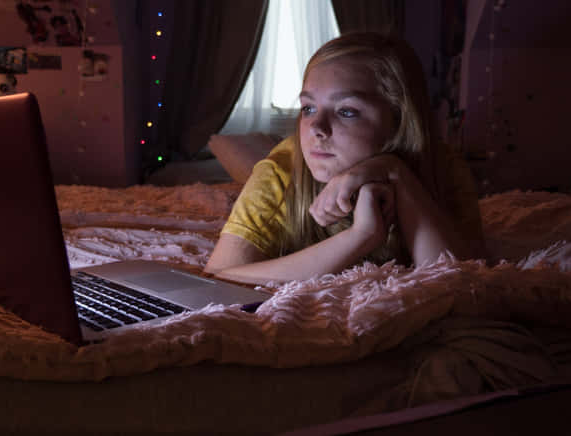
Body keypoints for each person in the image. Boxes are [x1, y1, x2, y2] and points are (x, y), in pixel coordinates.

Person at [205, 32, 485, 285]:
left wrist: (395, 171)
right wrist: (359, 237)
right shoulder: (281, 170)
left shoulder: (442, 164)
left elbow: (458, 281)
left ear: (399, 120)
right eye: (309, 108)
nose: (316, 128)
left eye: (346, 111)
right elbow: (218, 276)